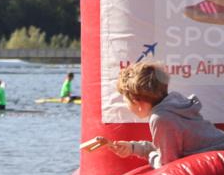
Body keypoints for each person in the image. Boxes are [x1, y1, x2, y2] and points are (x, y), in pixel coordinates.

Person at [95, 61, 224, 168]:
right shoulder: (174, 102)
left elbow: (167, 164)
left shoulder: (161, 118)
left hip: (216, 163)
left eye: (125, 99)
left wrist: (151, 156)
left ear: (135, 101)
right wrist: (133, 148)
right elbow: (171, 147)